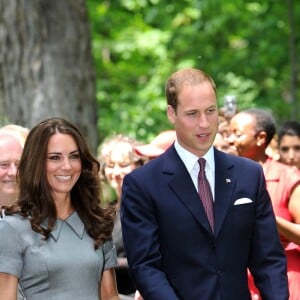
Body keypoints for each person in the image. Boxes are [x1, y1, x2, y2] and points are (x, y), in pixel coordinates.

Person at [120, 67, 288, 299]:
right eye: (192, 114)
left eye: (211, 111)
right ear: (171, 113)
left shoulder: (248, 174)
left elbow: (268, 259)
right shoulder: (142, 184)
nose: (204, 123)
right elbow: (145, 267)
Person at [0, 118, 120, 300]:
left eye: (74, 156)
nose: (67, 166)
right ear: (36, 163)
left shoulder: (97, 222)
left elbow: (110, 296)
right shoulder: (12, 228)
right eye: (55, 157)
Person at [228, 108, 300, 300]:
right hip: (240, 280)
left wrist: (266, 218)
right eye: (228, 134)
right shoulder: (226, 176)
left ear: (260, 138)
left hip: (284, 278)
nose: (229, 140)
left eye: (237, 134)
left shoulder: (287, 176)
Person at [98, 134, 148, 298]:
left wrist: (104, 263)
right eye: (111, 165)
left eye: (124, 165)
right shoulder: (105, 211)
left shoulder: (149, 208)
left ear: (139, 166)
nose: (116, 172)